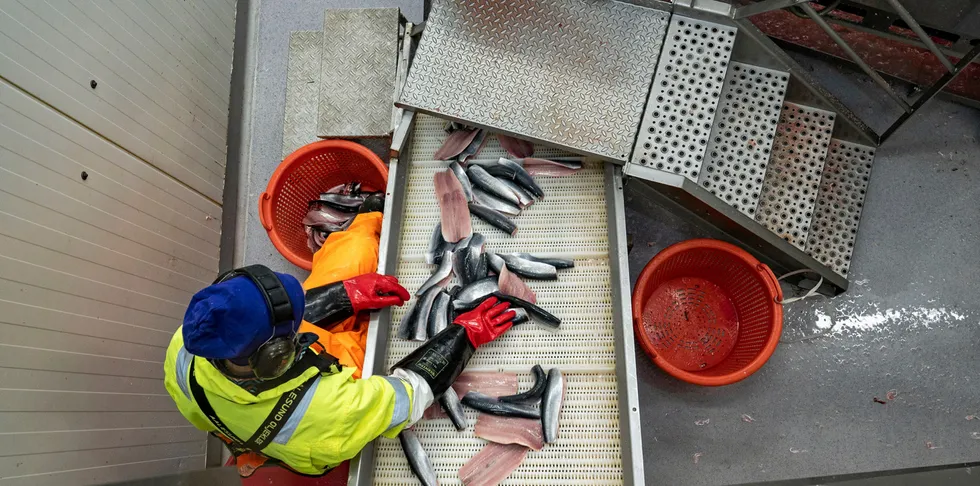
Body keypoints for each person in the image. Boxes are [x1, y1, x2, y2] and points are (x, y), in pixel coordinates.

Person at [163, 197, 517, 477]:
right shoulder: (331, 410)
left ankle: (370, 219)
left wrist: (344, 295)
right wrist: (464, 335)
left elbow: (267, 325)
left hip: (258, 390)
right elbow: (408, 396)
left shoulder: (188, 343)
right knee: (377, 342)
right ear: (278, 352)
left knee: (353, 252)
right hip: (321, 428)